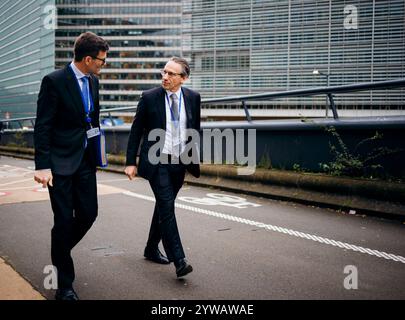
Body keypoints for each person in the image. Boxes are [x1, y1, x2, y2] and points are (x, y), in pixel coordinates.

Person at [34, 32, 109, 300]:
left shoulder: (93, 81)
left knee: (89, 214)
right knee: (64, 220)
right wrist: (42, 166)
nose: (103, 64)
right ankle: (64, 285)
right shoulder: (54, 81)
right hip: (59, 163)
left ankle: (59, 249)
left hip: (86, 161)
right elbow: (43, 126)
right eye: (101, 60)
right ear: (87, 59)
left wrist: (98, 152)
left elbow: (93, 120)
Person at [125, 57, 201, 278]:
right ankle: (179, 260)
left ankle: (150, 248)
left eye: (171, 74)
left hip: (179, 162)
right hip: (156, 160)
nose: (165, 77)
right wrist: (131, 162)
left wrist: (193, 159)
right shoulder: (149, 97)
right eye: (164, 72)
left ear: (183, 79)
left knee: (163, 205)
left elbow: (194, 128)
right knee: (167, 207)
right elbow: (136, 130)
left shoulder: (193, 98)